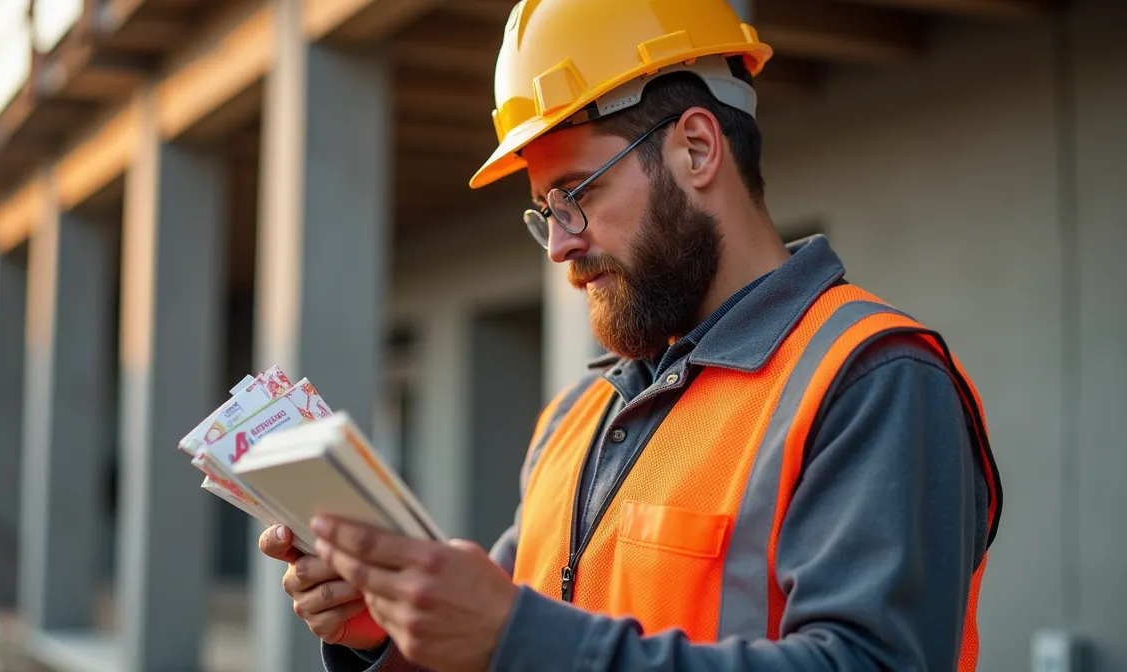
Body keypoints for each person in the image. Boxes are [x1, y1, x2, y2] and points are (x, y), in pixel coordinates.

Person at [257, 0, 1004, 670]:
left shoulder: (870, 380)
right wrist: (388, 633)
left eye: (576, 194)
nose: (559, 244)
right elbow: (498, 651)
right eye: (545, 210)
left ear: (697, 149)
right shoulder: (573, 421)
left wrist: (516, 634)